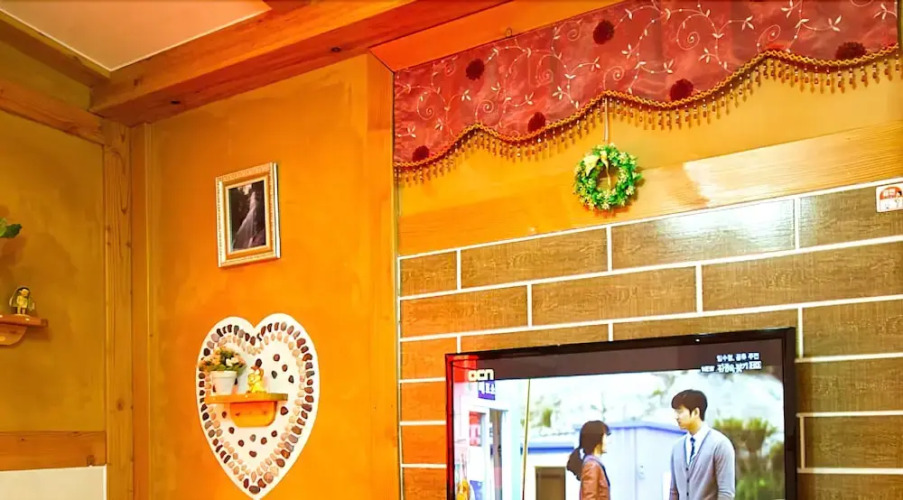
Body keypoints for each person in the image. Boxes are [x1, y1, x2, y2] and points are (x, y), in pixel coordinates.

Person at [669, 390, 735, 500]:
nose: (676, 416)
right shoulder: (677, 448)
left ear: (696, 412)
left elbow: (726, 493)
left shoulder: (720, 445)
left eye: (680, 412)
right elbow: (674, 492)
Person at [566, 420, 611, 500]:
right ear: (597, 439)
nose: (608, 442)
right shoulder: (592, 466)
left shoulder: (594, 465)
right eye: (605, 437)